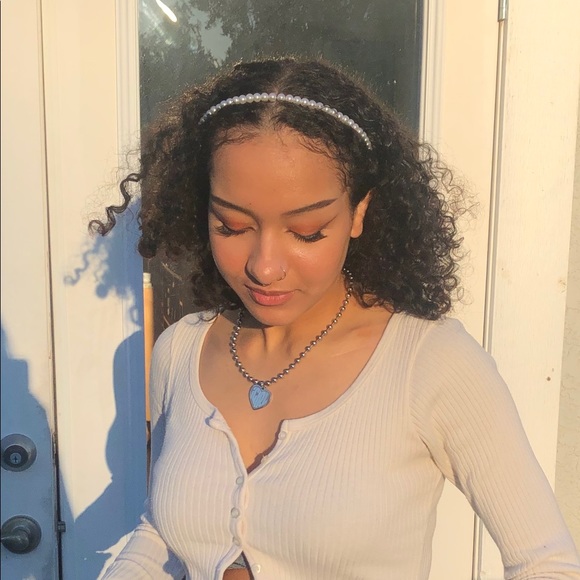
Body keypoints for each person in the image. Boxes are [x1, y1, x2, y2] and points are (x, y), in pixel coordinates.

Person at [96, 57, 580, 579]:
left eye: (307, 232)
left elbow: (545, 562)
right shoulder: (181, 350)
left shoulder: (428, 364)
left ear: (359, 213)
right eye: (231, 225)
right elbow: (161, 530)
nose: (264, 267)